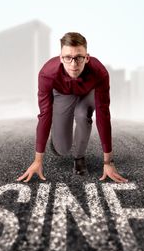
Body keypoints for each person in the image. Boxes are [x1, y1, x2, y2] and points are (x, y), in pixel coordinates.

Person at [17, 32, 128, 183]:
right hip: (63, 94)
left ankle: (79, 157)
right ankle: (57, 137)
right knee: (61, 149)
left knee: (82, 114)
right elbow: (44, 114)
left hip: (88, 93)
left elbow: (103, 115)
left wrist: (108, 162)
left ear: (87, 57)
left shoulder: (99, 72)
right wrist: (38, 161)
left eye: (79, 58)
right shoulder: (47, 74)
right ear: (60, 58)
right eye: (68, 58)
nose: (73, 64)